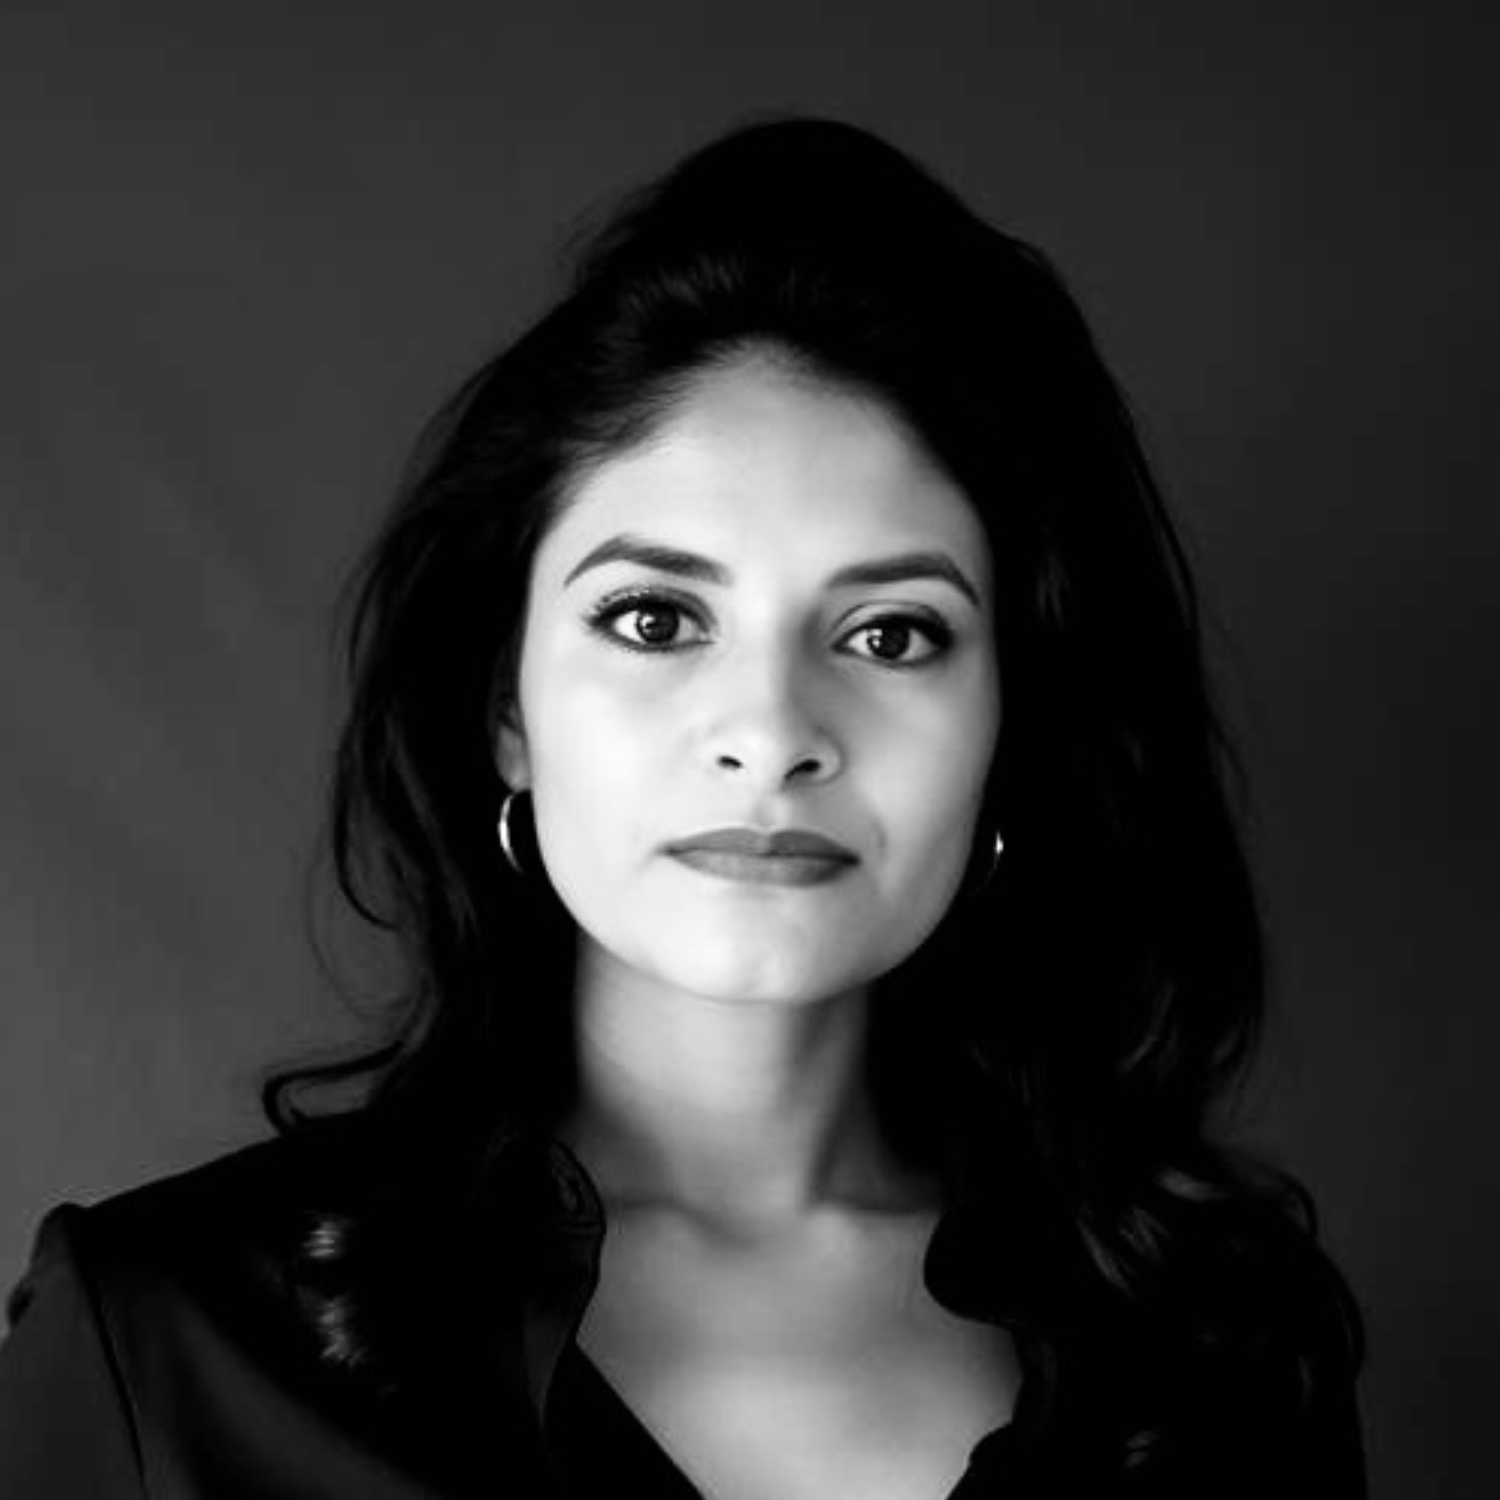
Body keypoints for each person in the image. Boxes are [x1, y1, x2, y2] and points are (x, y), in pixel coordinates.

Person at [0, 115, 1366, 1498]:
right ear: (508, 713)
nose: (770, 736)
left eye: (892, 636)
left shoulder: (1217, 1351)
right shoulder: (166, 1343)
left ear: (1015, 730)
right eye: (655, 619)